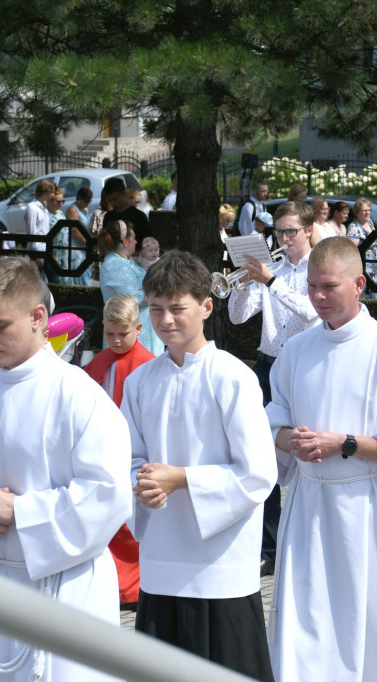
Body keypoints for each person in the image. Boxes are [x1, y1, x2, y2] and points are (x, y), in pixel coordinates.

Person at [265, 237, 377, 681]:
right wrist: (290, 440)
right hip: (309, 505)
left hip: (366, 505)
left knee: (373, 627)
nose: (318, 297)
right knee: (307, 620)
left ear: (360, 283)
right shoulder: (296, 350)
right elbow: (274, 418)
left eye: (329, 286)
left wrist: (344, 443)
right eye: (311, 287)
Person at [0, 257, 132, 681]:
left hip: (65, 589)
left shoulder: (78, 395)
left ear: (37, 317)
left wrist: (22, 512)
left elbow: (108, 494)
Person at [123, 251, 276, 680]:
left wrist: (182, 479)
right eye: (155, 309)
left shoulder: (232, 377)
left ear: (206, 307)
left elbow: (258, 471)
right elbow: (128, 455)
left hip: (219, 557)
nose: (165, 319)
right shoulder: (140, 382)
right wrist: (142, 481)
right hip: (162, 550)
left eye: (177, 308)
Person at [228, 201, 320, 577]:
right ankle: (270, 546)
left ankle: (308, 541)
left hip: (305, 367)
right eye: (279, 232)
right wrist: (243, 284)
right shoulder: (273, 269)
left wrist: (271, 282)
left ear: (309, 231)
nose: (283, 238)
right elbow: (237, 318)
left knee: (305, 452)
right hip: (268, 365)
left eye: (291, 231)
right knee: (264, 453)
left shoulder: (318, 268)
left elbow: (313, 312)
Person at [83, 294, 155, 608]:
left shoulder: (148, 366)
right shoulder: (97, 364)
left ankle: (136, 587)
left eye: (122, 334)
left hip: (135, 453)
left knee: (131, 525)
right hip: (104, 453)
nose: (114, 340)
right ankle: (115, 583)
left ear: (138, 329)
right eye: (109, 334)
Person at [99, 216, 163, 356]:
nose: (136, 242)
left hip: (141, 335)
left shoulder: (125, 262)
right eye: (133, 238)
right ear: (126, 242)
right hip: (127, 337)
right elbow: (135, 300)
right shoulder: (115, 266)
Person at [24, 178, 57, 282]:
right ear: (45, 192)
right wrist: (37, 254)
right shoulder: (32, 208)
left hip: (45, 249)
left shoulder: (43, 207)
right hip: (37, 251)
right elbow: (32, 232)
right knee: (35, 281)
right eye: (51, 192)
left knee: (54, 279)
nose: (53, 195)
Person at [346, 198, 377, 281]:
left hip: (373, 268)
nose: (367, 213)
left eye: (369, 210)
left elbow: (375, 246)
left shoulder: (370, 223)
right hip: (362, 269)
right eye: (364, 211)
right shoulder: (354, 228)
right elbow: (351, 252)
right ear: (357, 212)